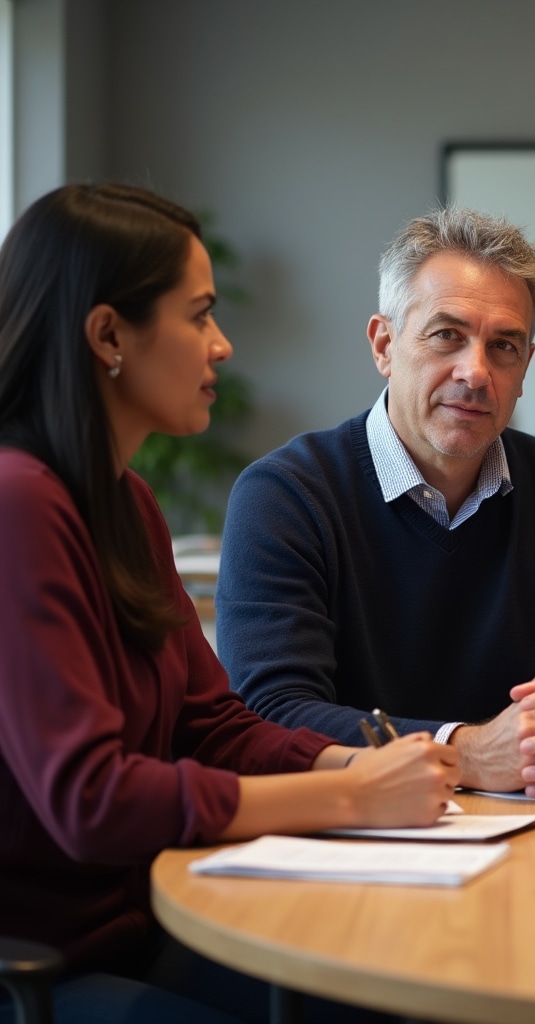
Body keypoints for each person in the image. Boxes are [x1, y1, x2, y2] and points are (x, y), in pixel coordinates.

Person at [0, 183, 458, 1024]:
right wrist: (351, 798)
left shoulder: (125, 502)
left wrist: (354, 765)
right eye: (200, 315)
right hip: (41, 968)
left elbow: (211, 726)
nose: (222, 344)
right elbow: (92, 801)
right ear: (109, 335)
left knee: (392, 997)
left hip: (148, 925)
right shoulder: (18, 503)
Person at [217, 209, 535, 796]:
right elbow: (271, 712)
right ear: (384, 345)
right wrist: (464, 752)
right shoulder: (286, 494)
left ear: (525, 368)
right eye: (447, 336)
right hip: (354, 834)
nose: (476, 372)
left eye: (504, 346)